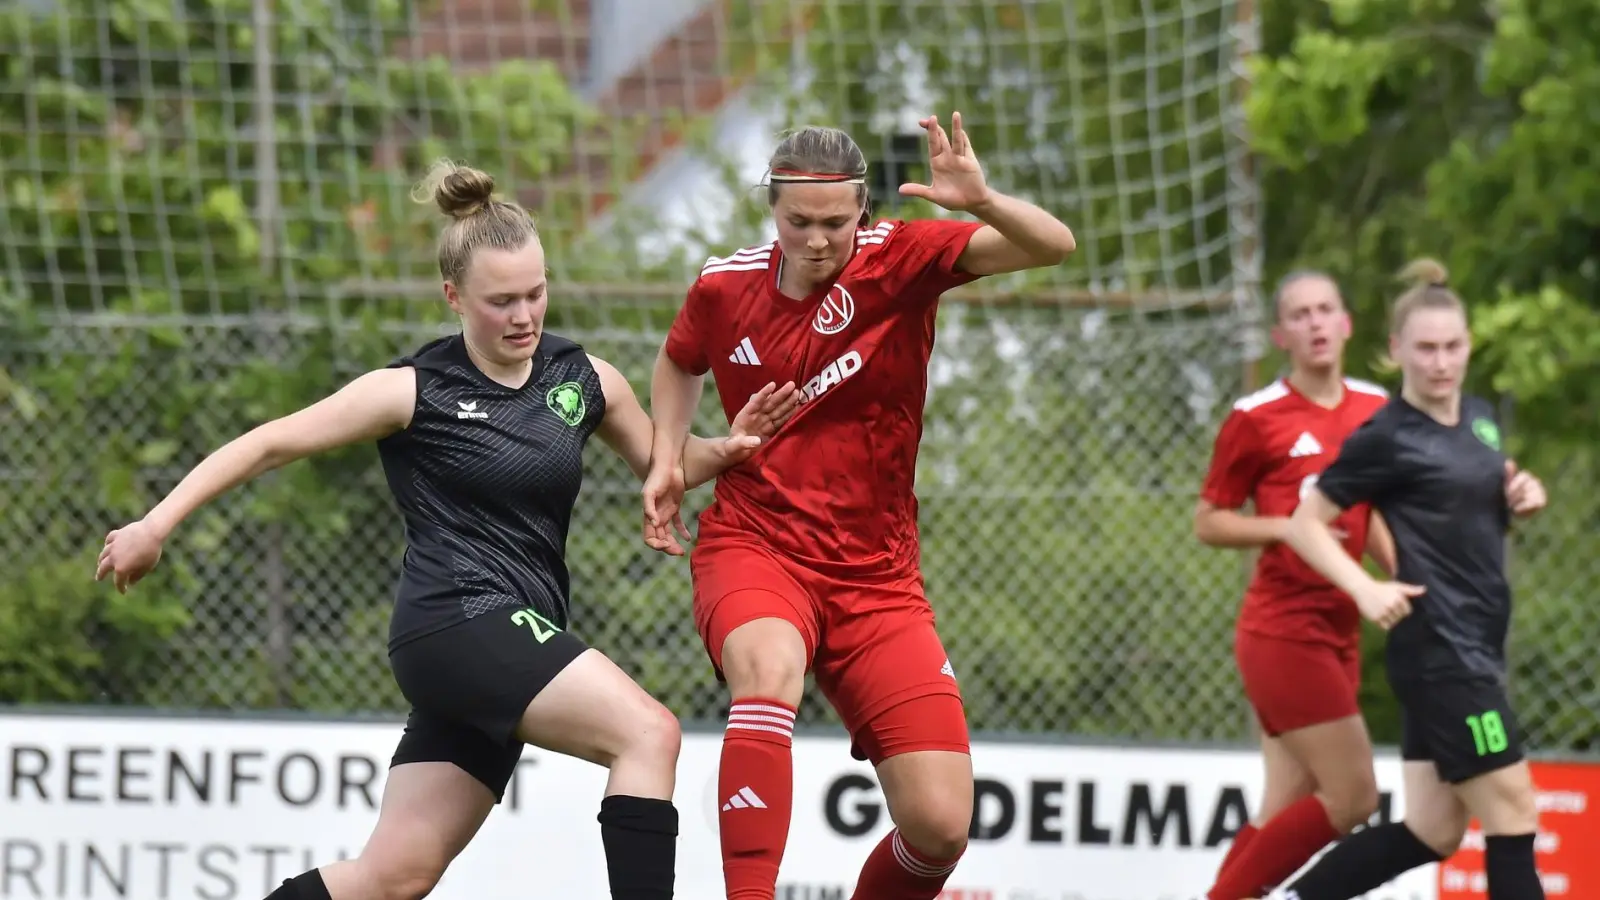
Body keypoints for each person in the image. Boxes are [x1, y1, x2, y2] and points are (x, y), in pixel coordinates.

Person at [94, 159, 803, 900]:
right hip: (458, 622)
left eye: (536, 292)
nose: (525, 315)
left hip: (500, 640)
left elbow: (666, 462)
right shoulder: (414, 391)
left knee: (392, 877)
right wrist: (155, 522)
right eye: (501, 301)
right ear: (453, 296)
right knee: (649, 733)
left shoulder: (583, 378)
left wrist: (725, 448)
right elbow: (270, 441)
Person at [642, 116, 1076, 900]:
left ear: (863, 209)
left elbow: (1053, 246)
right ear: (772, 210)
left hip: (878, 579)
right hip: (756, 544)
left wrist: (981, 199)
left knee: (941, 826)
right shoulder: (723, 286)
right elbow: (678, 363)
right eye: (797, 221)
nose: (816, 240)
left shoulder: (902, 260)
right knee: (768, 670)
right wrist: (669, 457)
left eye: (835, 223)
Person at [1255, 258, 1549, 900]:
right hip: (1443, 653)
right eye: (1425, 349)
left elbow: (1480, 495)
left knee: (1433, 828)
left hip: (1477, 643)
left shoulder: (1478, 419)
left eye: (1452, 347)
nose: (1440, 362)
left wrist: (1522, 493)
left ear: (1469, 346)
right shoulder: (1385, 436)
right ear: (1396, 350)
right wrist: (1363, 588)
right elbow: (1306, 523)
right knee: (1514, 813)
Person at [1192, 271, 1395, 900]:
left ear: (1346, 323)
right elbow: (1209, 521)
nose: (1314, 323)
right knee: (1354, 795)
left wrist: (1409, 577)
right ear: (1282, 333)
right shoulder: (1256, 417)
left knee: (1286, 802)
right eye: (1300, 314)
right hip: (1282, 631)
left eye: (1325, 310)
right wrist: (1288, 529)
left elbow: (1377, 513)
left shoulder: (1377, 410)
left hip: (1342, 631)